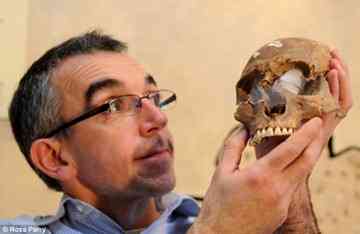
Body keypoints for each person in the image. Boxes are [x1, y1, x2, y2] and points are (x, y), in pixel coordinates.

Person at [0, 31, 352, 234]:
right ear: (55, 156)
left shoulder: (219, 216)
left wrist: (290, 176)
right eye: (114, 105)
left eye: (153, 97)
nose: (157, 117)